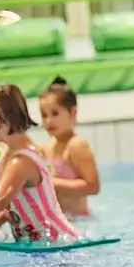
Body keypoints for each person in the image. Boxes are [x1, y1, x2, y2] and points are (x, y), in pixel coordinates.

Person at [0, 84, 80, 241]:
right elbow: (9, 210)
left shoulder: (20, 162)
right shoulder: (8, 156)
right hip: (43, 245)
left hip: (58, 244)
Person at [38, 77, 100, 216]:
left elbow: (93, 186)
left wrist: (51, 183)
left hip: (80, 222)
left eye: (55, 113)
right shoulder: (44, 149)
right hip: (60, 222)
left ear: (73, 113)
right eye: (44, 115)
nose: (49, 121)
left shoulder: (76, 146)